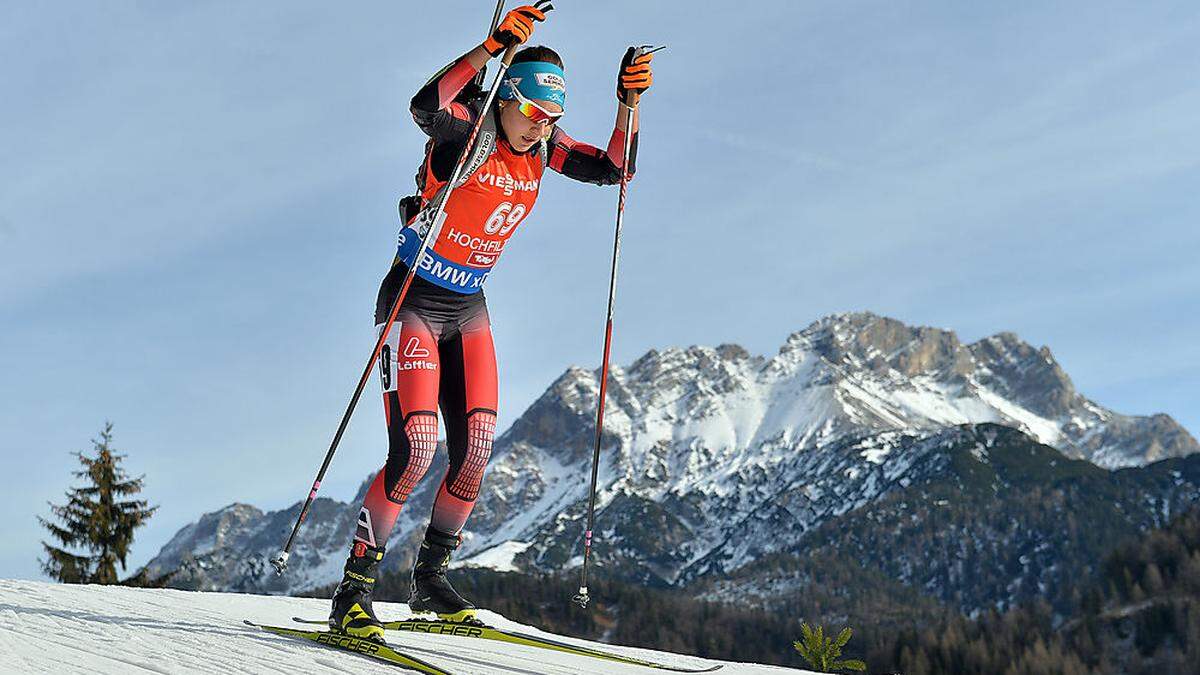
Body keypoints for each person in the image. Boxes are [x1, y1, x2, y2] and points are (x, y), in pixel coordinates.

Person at [328, 5, 655, 641]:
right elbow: (425, 104)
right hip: (414, 301)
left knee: (476, 450)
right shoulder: (469, 134)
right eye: (532, 112)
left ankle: (429, 581)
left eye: (551, 118)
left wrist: (626, 104)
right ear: (506, 99)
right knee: (416, 449)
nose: (541, 128)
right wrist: (489, 46)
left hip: (469, 305)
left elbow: (616, 168)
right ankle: (353, 593)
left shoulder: (543, 148)